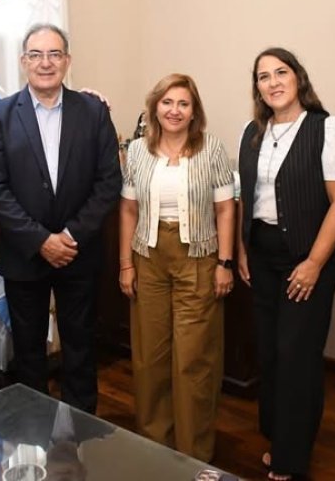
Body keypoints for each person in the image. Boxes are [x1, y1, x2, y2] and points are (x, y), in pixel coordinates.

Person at [0, 23, 122, 414]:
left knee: (80, 346)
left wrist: (71, 236)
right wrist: (41, 240)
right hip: (25, 255)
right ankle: (34, 431)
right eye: (37, 55)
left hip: (80, 253)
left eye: (55, 54)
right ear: (24, 61)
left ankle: (80, 431)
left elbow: (109, 182)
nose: (46, 63)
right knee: (28, 350)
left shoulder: (93, 112)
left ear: (68, 61)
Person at [236, 47, 335, 480]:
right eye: (263, 76)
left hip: (306, 254)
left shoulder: (326, 128)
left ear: (298, 77)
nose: (273, 82)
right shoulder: (252, 132)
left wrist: (314, 263)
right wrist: (244, 250)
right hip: (261, 253)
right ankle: (278, 436)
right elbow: (246, 198)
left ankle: (291, 456)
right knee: (268, 353)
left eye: (280, 72)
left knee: (297, 355)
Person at [118, 73, 236, 462]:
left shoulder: (212, 149)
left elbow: (225, 209)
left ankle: (194, 455)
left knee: (193, 361)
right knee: (149, 359)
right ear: (155, 107)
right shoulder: (136, 151)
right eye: (167, 102)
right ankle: (155, 450)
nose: (174, 110)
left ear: (193, 111)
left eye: (183, 103)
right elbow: (129, 209)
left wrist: (224, 262)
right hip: (148, 259)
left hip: (198, 260)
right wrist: (125, 266)